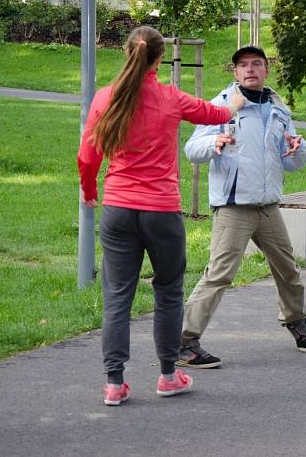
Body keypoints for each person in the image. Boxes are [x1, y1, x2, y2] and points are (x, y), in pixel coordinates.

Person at [77, 26, 244, 405]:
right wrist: (235, 104)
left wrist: (90, 194)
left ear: (126, 54)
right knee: (168, 292)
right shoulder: (170, 98)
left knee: (117, 297)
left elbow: (87, 157)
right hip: (161, 212)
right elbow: (214, 113)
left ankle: (114, 384)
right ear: (159, 58)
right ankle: (169, 375)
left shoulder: (106, 97)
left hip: (118, 210)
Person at [179, 45, 306, 368]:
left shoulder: (277, 107)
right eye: (244, 65)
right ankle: (183, 341)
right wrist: (215, 142)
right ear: (235, 73)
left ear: (266, 70)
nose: (251, 69)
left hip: (268, 206)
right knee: (220, 274)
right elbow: (191, 148)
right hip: (234, 206)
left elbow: (295, 159)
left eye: (257, 64)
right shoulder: (222, 106)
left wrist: (298, 147)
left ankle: (296, 321)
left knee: (288, 271)